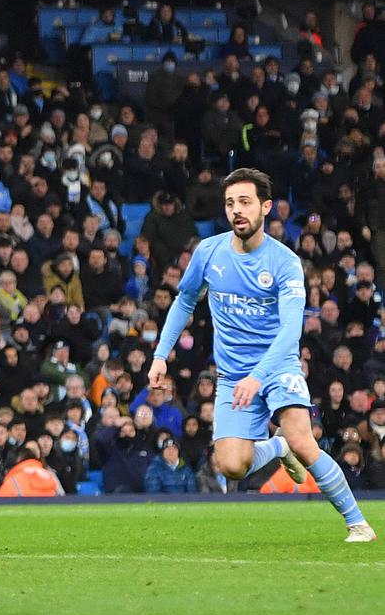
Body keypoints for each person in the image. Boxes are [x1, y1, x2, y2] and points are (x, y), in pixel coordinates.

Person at [149, 168, 375, 541]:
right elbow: (185, 299)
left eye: (245, 202)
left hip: (277, 367)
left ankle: (357, 524)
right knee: (232, 466)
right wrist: (160, 355)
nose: (236, 210)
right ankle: (276, 447)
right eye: (230, 203)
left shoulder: (284, 263)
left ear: (265, 207)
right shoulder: (209, 252)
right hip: (234, 376)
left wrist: (259, 376)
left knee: (304, 441)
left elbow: (290, 332)